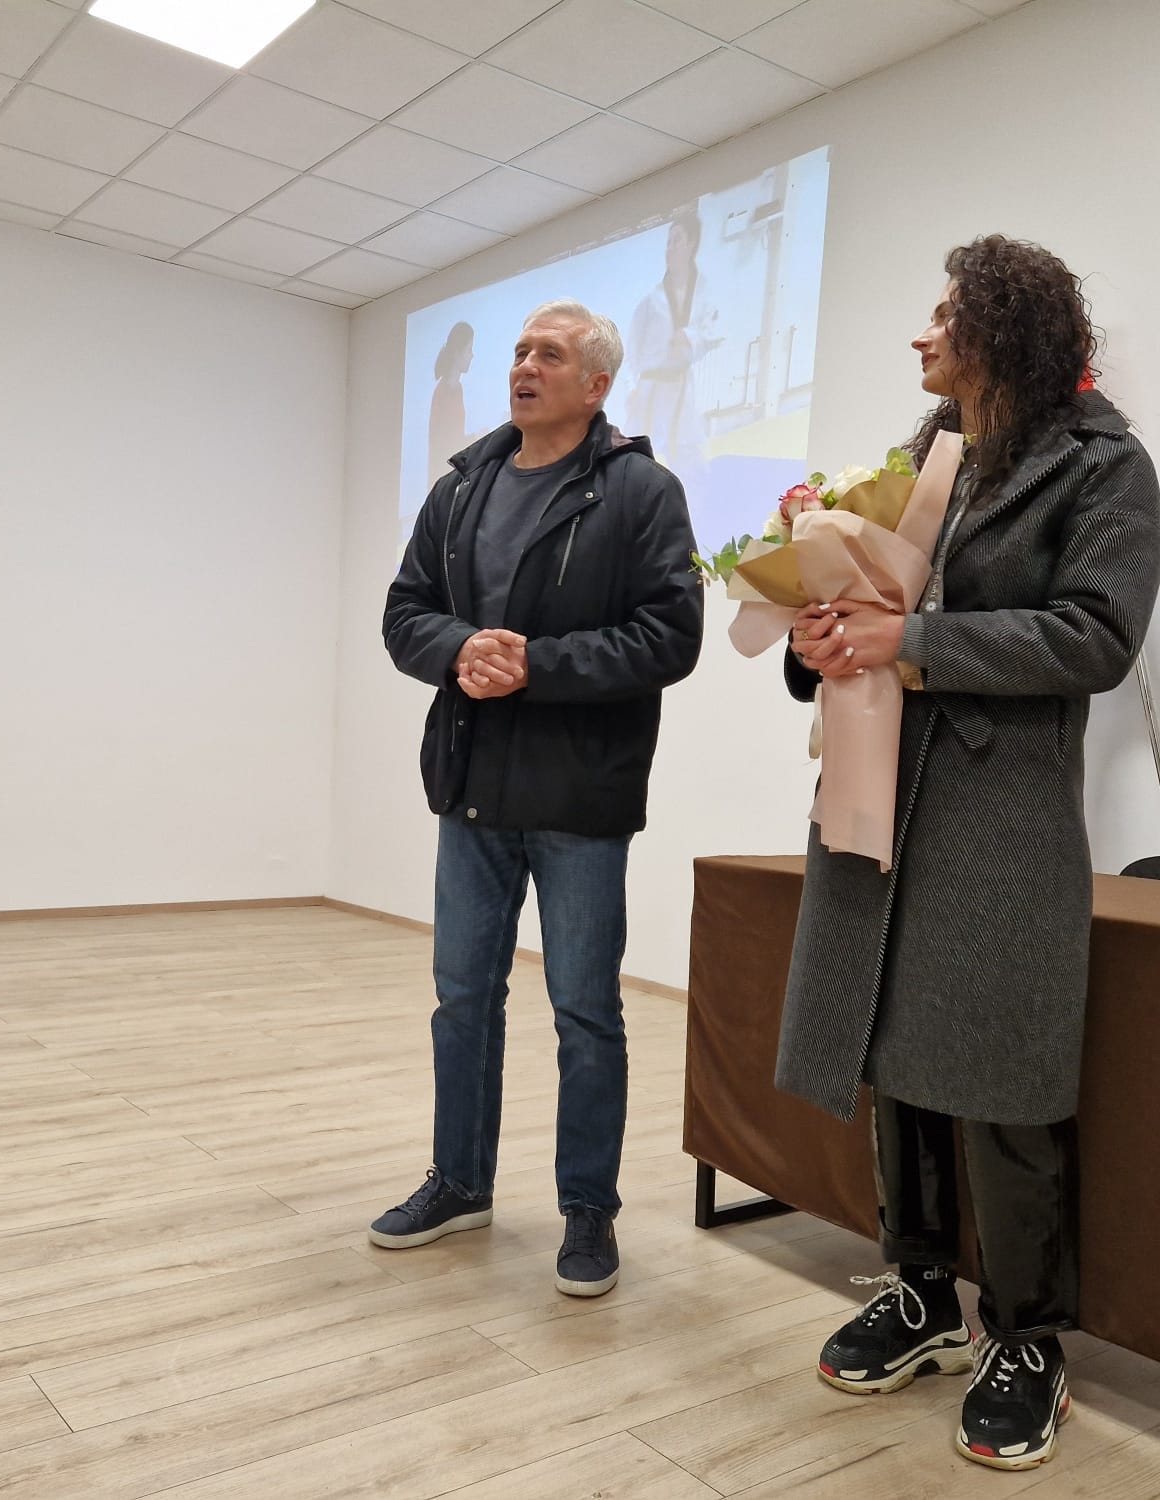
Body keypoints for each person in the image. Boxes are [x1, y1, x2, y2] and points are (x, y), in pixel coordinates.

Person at [779, 236, 1160, 1471]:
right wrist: (815, 625)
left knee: (1001, 1079)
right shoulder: (921, 453)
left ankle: (1026, 1338)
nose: (921, 334)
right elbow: (865, 608)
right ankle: (918, 1295)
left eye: (944, 315)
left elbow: (1093, 635)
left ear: (1002, 331)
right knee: (891, 1053)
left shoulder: (1103, 466)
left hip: (999, 822)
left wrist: (913, 643)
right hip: (878, 798)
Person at [376, 299, 704, 1298]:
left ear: (596, 384)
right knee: (462, 1000)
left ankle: (588, 1212)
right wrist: (457, 650)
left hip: (579, 794)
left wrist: (537, 665)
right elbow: (404, 612)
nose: (524, 366)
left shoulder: (640, 492)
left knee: (584, 1012)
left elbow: (670, 636)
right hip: (471, 784)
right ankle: (459, 1183)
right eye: (520, 351)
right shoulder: (461, 488)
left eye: (548, 355)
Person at [624, 206, 720, 478]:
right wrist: (631, 387)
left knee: (690, 458)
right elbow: (630, 352)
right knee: (636, 457)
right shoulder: (650, 300)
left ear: (692, 244)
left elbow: (713, 332)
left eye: (677, 240)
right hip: (649, 388)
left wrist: (688, 337)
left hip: (680, 386)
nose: (670, 248)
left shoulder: (705, 292)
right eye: (668, 242)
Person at [428, 322, 474, 491]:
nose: (472, 356)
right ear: (456, 354)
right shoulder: (443, 393)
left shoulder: (457, 389)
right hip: (445, 483)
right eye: (469, 350)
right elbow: (444, 444)